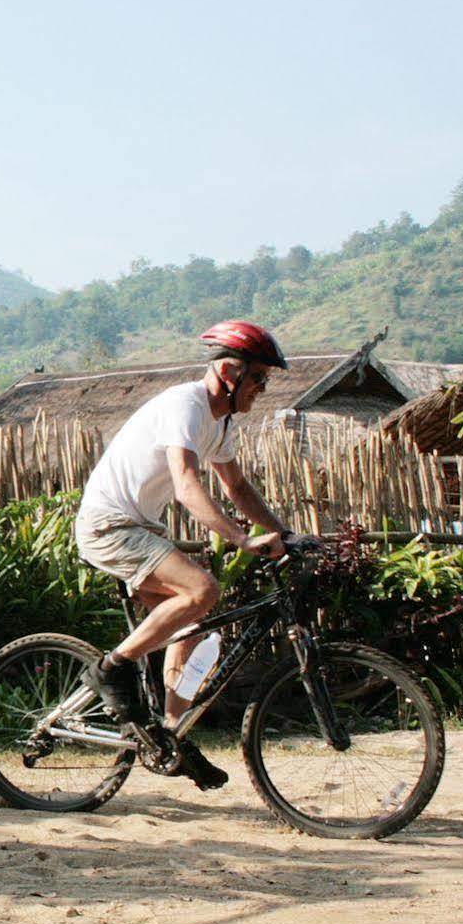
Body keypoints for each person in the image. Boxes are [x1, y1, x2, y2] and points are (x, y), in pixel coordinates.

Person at [73, 320, 300, 791]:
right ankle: (110, 669)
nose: (263, 389)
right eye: (259, 378)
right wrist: (241, 540)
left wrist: (286, 534)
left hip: (139, 528)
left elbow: (237, 487)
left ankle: (170, 734)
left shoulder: (218, 423)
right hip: (108, 525)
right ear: (229, 373)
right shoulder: (187, 405)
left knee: (193, 623)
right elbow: (185, 483)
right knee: (203, 589)